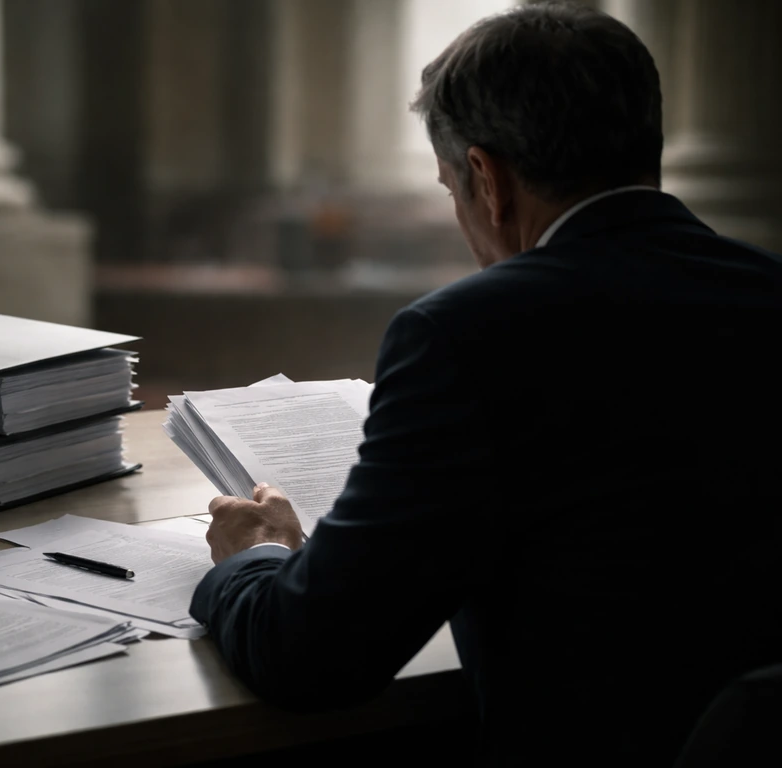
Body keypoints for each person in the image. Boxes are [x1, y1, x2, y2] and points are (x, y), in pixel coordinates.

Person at [189, 3, 782, 766]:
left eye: (449, 188)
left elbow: (311, 658)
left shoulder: (466, 333)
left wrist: (257, 555)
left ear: (486, 179)